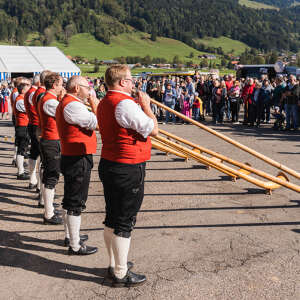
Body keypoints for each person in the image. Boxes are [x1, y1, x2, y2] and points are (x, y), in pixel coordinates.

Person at [97, 64, 158, 287]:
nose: (133, 84)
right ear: (122, 82)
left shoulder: (104, 101)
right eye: (131, 80)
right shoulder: (124, 103)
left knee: (113, 216)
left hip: (111, 163)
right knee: (124, 220)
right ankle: (121, 273)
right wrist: (147, 106)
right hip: (127, 166)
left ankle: (115, 264)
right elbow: (153, 129)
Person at [56, 75, 98, 255]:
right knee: (76, 202)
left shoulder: (70, 103)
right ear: (76, 88)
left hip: (73, 155)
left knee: (71, 199)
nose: (89, 90)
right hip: (77, 157)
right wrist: (95, 104)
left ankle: (71, 236)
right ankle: (74, 244)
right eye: (86, 87)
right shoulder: (72, 105)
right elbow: (97, 123)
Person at [38, 72, 64, 225]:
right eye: (61, 85)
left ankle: (49, 210)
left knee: (51, 175)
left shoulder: (49, 99)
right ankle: (48, 213)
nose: (62, 88)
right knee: (52, 176)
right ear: (54, 85)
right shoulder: (50, 101)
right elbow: (64, 114)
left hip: (51, 139)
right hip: (51, 140)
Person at [24, 75, 40, 190]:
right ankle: (36, 181)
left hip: (33, 123)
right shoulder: (35, 93)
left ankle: (33, 179)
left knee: (34, 152)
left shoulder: (31, 92)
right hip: (36, 124)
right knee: (38, 153)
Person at [13, 81, 31, 179]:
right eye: (28, 88)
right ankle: (20, 172)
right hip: (22, 126)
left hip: (23, 126)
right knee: (21, 149)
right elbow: (28, 110)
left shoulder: (22, 99)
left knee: (22, 149)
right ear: (23, 90)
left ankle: (21, 171)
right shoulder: (20, 100)